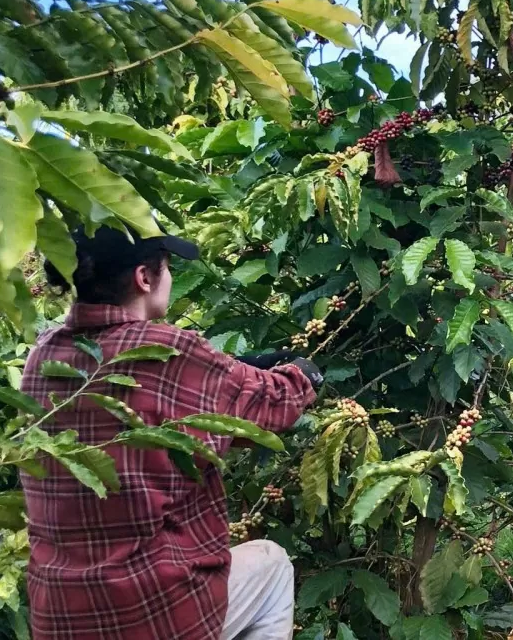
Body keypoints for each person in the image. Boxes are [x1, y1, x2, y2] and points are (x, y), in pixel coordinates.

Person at [21, 225, 323, 640]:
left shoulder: (44, 355)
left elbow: (152, 409)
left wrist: (235, 368)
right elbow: (274, 405)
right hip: (151, 614)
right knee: (272, 564)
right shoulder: (168, 351)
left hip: (59, 618)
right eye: (166, 267)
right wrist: (302, 371)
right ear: (144, 278)